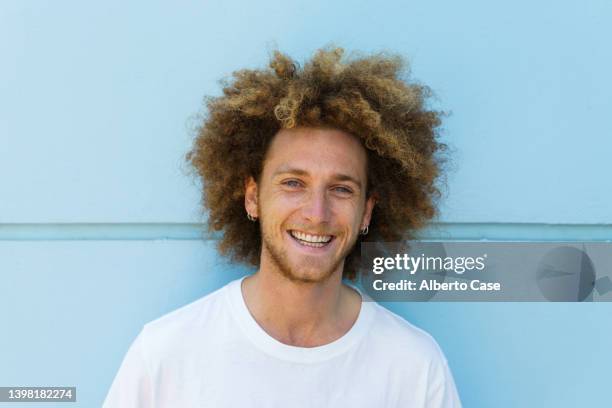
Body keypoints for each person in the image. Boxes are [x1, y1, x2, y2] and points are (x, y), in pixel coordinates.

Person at [103, 47, 461, 407]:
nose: (317, 213)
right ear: (252, 197)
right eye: (293, 183)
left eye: (341, 189)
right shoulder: (166, 354)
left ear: (366, 212)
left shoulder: (414, 368)